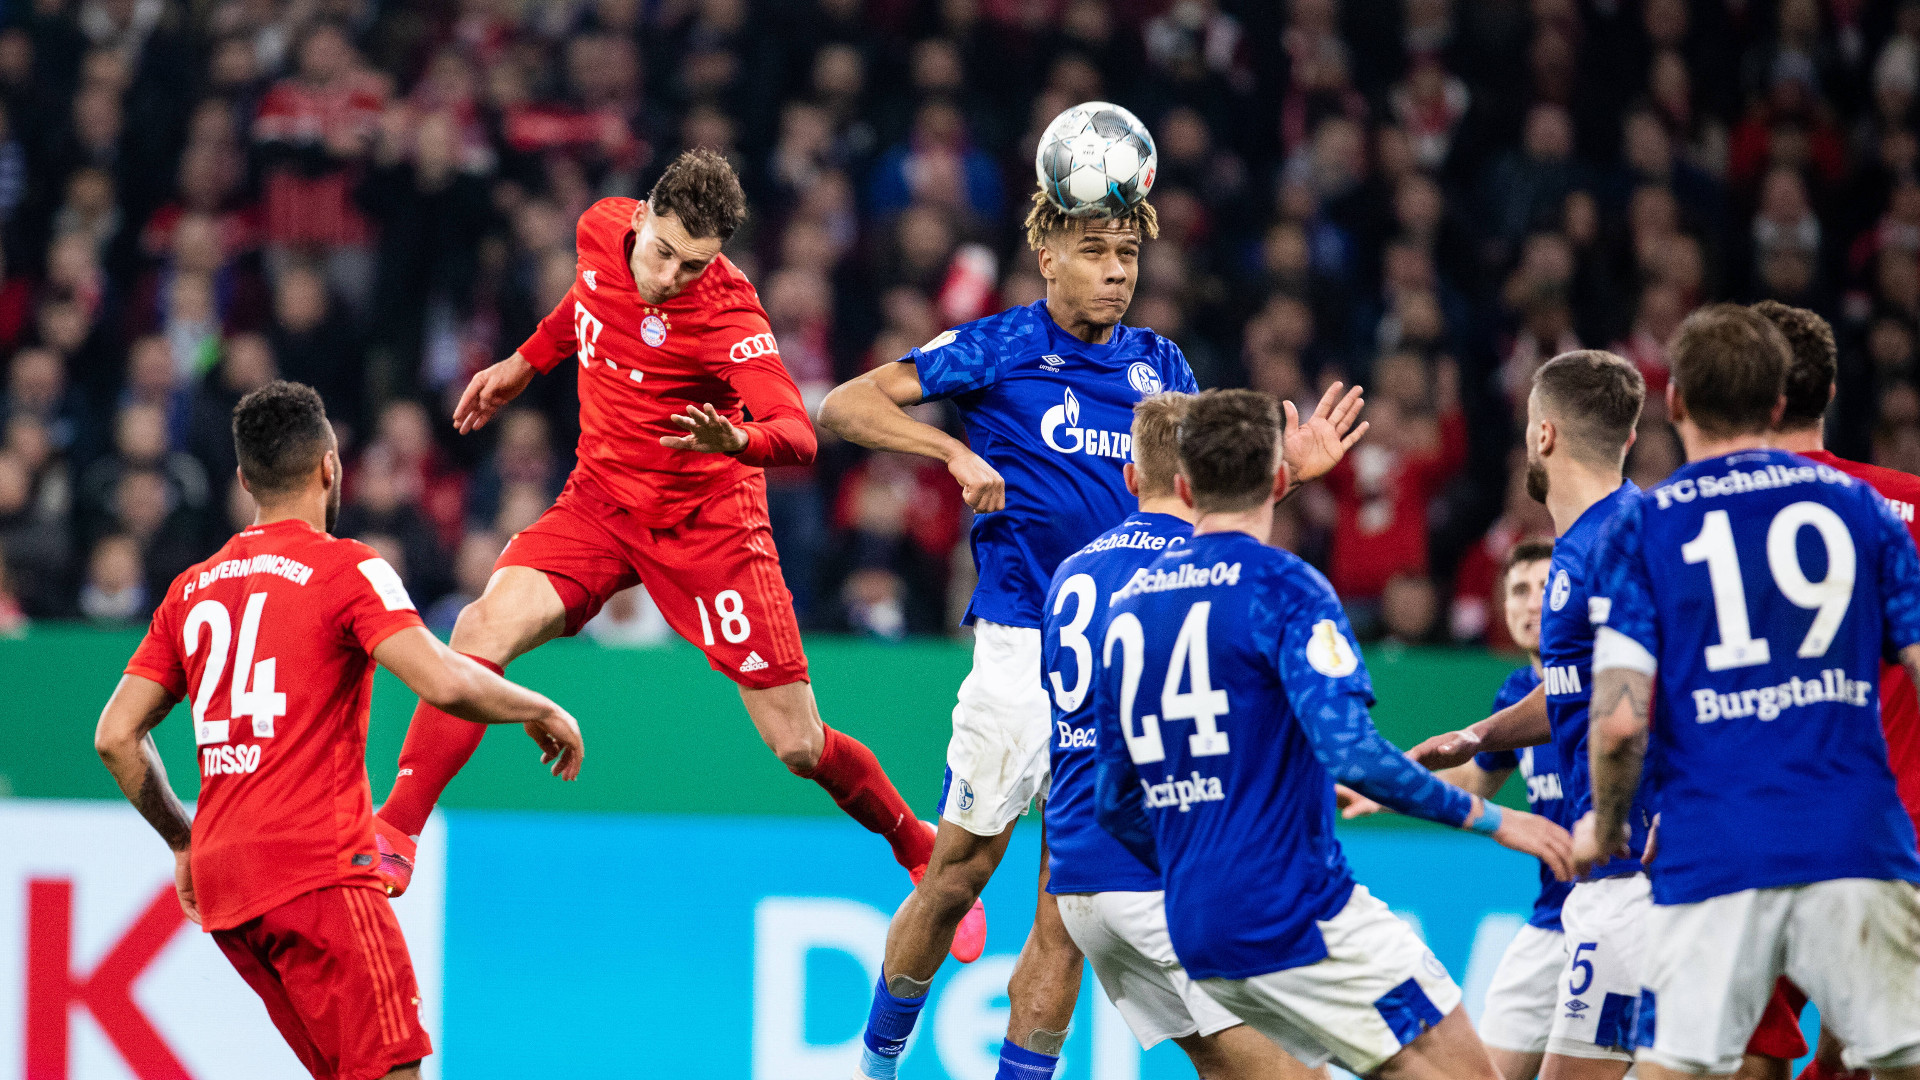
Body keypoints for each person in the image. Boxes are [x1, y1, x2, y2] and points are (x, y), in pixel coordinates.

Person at [371, 150, 939, 906]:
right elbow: (587, 305)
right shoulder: (599, 230)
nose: (671, 276)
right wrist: (524, 362)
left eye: (694, 265)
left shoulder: (730, 314)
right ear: (639, 217)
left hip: (708, 527)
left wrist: (738, 441)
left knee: (798, 745)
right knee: (481, 627)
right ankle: (396, 829)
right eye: (665, 252)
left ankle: (913, 840)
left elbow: (796, 433)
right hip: (601, 500)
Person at [94, 381, 585, 1080]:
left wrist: (183, 837)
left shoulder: (191, 589)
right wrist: (537, 706)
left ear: (244, 480)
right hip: (319, 870)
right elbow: (442, 680)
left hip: (231, 891)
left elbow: (114, 735)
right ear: (331, 467)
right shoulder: (346, 568)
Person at [822, 183, 1200, 1080]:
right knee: (957, 875)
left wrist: (1286, 477)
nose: (1117, 273)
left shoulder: (1164, 368)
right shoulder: (1000, 345)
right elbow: (843, 406)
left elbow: (1205, 500)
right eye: (1098, 253)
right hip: (1023, 646)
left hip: (1125, 670)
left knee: (1066, 913)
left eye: (1128, 256)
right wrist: (951, 451)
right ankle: (874, 1065)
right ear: (1050, 257)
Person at [1092, 388, 1572, 1079]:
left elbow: (1114, 800)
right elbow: (1351, 751)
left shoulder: (1128, 607)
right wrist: (1496, 820)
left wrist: (1203, 859)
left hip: (1194, 927)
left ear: (1186, 486)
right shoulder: (1288, 587)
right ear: (1282, 479)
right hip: (1299, 911)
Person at [1582, 303, 1920, 1080]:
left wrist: (1606, 824)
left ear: (1674, 403)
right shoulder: (1863, 510)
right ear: (1781, 403)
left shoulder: (1645, 528)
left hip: (1719, 844)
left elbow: (1622, 712)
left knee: (1691, 1065)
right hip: (1860, 837)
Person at [1043, 389, 1362, 1079]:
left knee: (1228, 1068)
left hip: (1080, 881)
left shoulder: (1073, 571)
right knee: (1302, 1073)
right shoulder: (1193, 570)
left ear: (1131, 477)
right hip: (1160, 875)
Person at [1406, 350, 1659, 1080]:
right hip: (1612, 880)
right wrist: (1478, 736)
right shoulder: (1594, 541)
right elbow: (1582, 687)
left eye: (1524, 428)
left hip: (1633, 871)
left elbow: (1651, 685)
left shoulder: (1617, 540)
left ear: (1543, 436)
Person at [1752, 298, 1920, 1080]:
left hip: (1762, 827)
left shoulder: (1710, 514)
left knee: (1747, 1048)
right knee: (1865, 1052)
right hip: (1895, 831)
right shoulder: (1909, 502)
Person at [1353, 539, 1562, 1080]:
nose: (1532, 602)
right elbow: (1475, 779)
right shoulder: (1517, 692)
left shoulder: (1612, 680)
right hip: (1551, 921)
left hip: (1624, 903)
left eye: (1546, 587)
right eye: (1519, 590)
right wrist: (1388, 791)